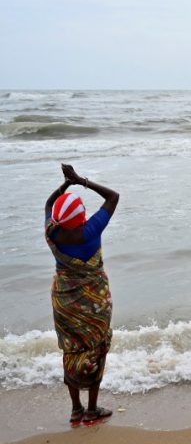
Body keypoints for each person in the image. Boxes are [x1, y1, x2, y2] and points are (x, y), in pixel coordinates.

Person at [44, 164, 119, 425]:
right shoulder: (90, 233)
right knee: (97, 349)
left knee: (71, 351)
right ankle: (92, 409)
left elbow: (48, 205)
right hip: (95, 302)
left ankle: (76, 409)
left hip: (64, 301)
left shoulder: (51, 232)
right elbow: (113, 197)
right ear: (81, 219)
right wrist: (80, 181)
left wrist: (64, 186)